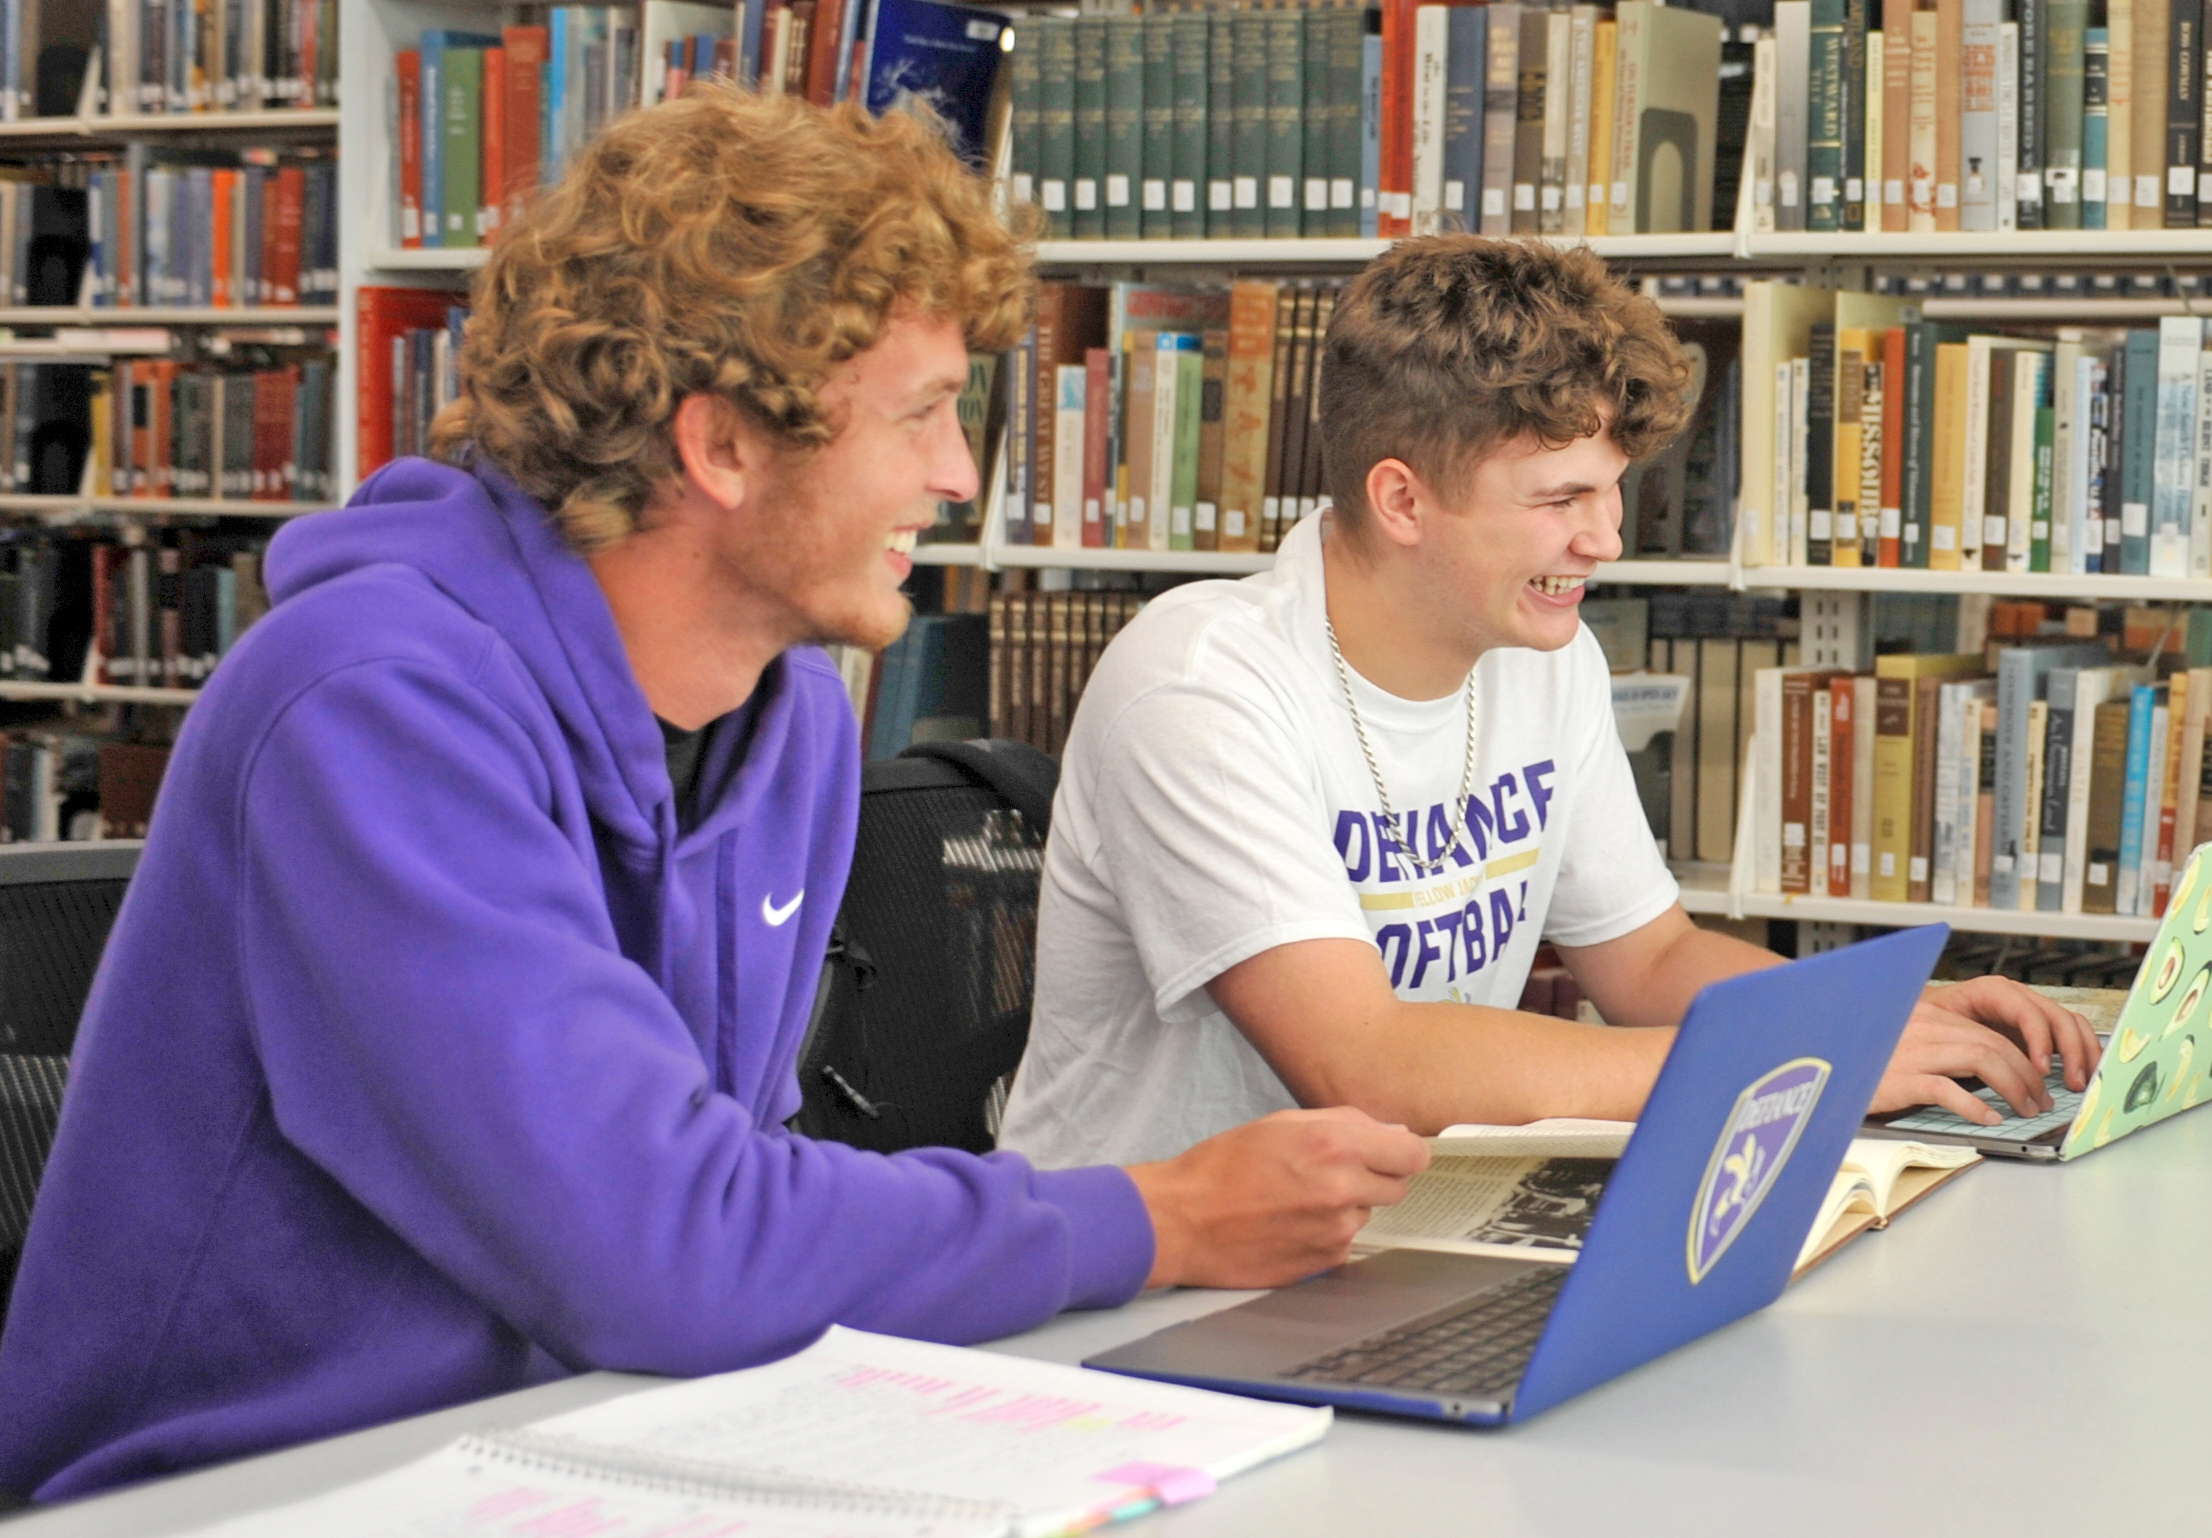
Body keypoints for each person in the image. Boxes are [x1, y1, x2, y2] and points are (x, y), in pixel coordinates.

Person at [0, 93, 1428, 1504]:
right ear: (724, 445)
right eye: (923, 413)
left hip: (594, 1446)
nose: (959, 473)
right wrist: (1155, 1214)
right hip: (238, 1490)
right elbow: (661, 1244)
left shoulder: (787, 705)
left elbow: (725, 1179)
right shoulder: (366, 702)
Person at [998, 236, 2097, 1169]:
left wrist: (1863, 1014)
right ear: (1401, 499)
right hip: (1150, 1292)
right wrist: (1799, 1057)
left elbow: (1652, 960)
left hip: (1403, 1232)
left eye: (1612, 489)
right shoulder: (1201, 685)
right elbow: (1364, 1062)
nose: (1605, 539)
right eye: (1560, 497)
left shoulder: (1536, 651)